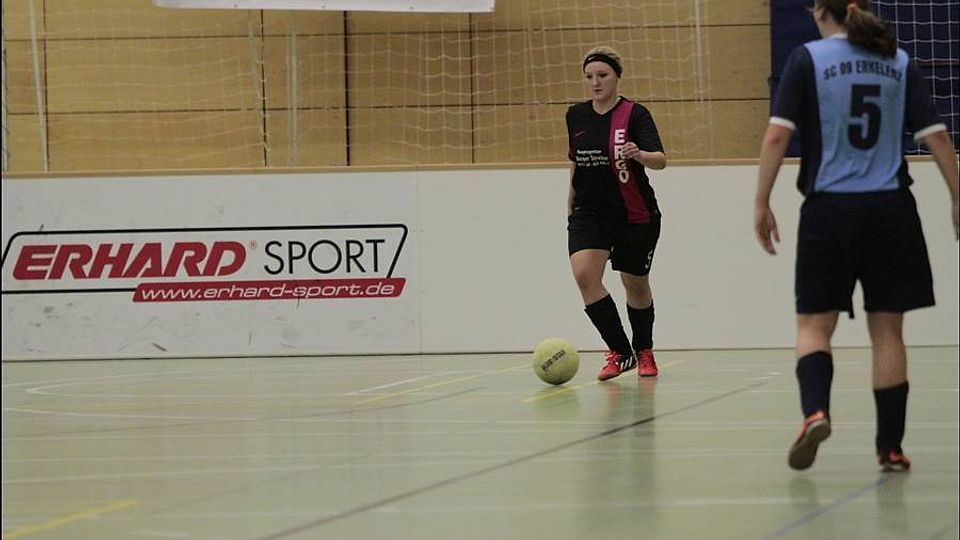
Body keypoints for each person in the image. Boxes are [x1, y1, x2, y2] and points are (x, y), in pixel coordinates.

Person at [754, 0, 960, 472]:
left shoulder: (807, 59)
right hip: (891, 210)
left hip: (829, 209)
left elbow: (776, 136)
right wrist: (956, 196)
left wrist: (761, 201)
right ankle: (890, 448)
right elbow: (937, 136)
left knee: (813, 326)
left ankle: (815, 412)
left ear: (818, 10)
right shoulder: (897, 59)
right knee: (888, 333)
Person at [565, 46, 667, 381]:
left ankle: (644, 349)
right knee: (585, 275)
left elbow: (660, 160)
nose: (595, 82)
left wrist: (639, 154)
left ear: (616, 77)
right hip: (590, 212)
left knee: (635, 284)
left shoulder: (634, 114)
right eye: (589, 77)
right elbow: (574, 161)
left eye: (602, 75)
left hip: (634, 213)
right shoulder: (576, 116)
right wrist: (570, 200)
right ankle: (621, 352)